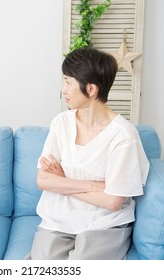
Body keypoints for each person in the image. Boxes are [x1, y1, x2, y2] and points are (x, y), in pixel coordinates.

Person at [28, 47, 149, 260]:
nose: (63, 89)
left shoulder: (123, 136)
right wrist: (94, 186)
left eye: (68, 82)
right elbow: (44, 180)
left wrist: (63, 183)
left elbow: (113, 202)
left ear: (91, 89)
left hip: (105, 224)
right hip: (58, 219)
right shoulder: (61, 123)